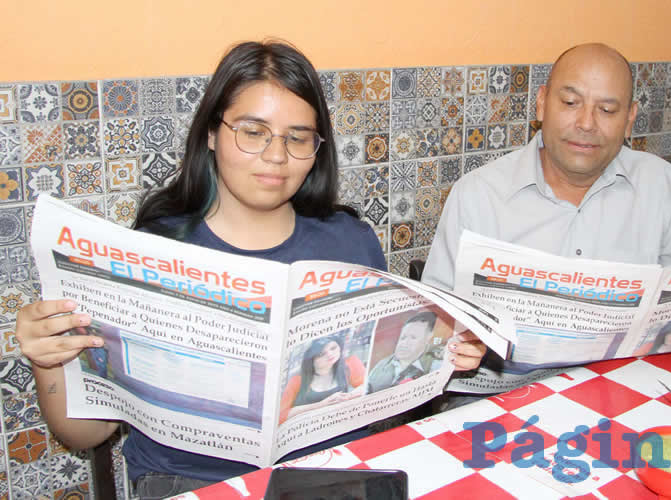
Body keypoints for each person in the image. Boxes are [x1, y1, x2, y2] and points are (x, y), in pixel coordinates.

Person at [14, 40, 486, 498]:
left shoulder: (350, 241)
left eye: (297, 137)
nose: (277, 156)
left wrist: (444, 357)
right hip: (189, 481)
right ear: (212, 134)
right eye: (253, 131)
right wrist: (47, 359)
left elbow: (384, 399)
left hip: (332, 475)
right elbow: (82, 435)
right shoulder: (151, 249)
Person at [422, 43, 671, 378]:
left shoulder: (659, 184)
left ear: (630, 119)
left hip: (631, 391)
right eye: (570, 102)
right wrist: (453, 343)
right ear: (542, 104)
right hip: (509, 396)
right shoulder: (478, 195)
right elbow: (432, 325)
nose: (586, 123)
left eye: (608, 110)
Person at [278, 336, 366, 423]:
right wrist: (321, 405)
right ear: (311, 360)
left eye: (333, 348)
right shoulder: (297, 380)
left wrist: (348, 396)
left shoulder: (349, 364)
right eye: (321, 354)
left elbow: (366, 385)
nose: (330, 354)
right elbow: (281, 415)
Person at [368, 311, 442, 392]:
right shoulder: (380, 366)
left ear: (428, 338)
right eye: (403, 337)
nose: (404, 343)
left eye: (413, 337)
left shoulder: (435, 365)